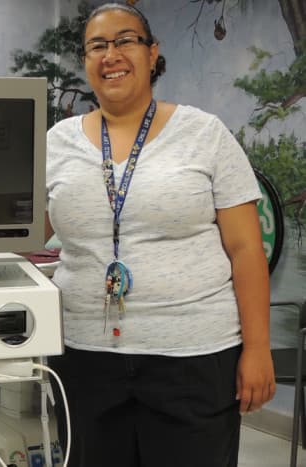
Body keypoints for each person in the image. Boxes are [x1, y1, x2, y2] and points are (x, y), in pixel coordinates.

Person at [45, 3, 275, 466]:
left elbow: (246, 247)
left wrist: (258, 348)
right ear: (86, 60)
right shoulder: (56, 142)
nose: (111, 54)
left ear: (153, 54)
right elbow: (16, 228)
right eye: (97, 45)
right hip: (85, 356)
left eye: (125, 40)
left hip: (193, 357)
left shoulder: (205, 134)